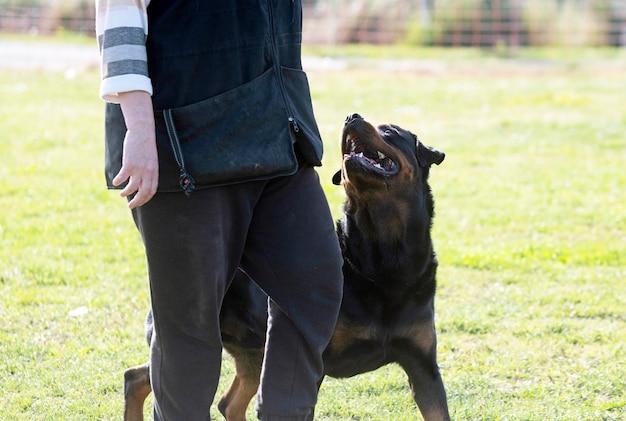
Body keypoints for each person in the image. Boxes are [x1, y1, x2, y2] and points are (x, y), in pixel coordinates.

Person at [95, 1, 344, 420]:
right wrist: (138, 129)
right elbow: (121, 12)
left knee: (314, 281)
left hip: (278, 133)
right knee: (189, 333)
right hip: (183, 142)